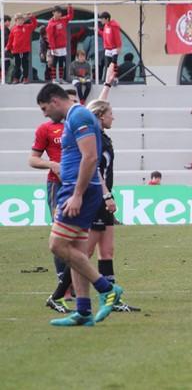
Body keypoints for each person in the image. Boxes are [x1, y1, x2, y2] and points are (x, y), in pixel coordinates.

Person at [36, 83, 123, 326]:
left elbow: (91, 156)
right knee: (76, 248)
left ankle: (107, 288)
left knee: (57, 244)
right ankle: (84, 311)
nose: (44, 114)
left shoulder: (79, 116)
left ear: (54, 100)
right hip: (76, 188)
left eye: (44, 108)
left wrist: (77, 194)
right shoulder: (76, 116)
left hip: (78, 190)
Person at [85, 68, 139, 313]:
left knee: (107, 251)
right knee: (83, 252)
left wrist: (107, 83)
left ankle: (110, 300)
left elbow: (99, 104)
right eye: (110, 114)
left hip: (103, 198)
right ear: (100, 117)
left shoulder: (100, 133)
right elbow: (94, 169)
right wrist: (107, 195)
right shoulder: (93, 136)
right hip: (96, 198)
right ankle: (61, 293)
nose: (113, 117)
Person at [30, 86, 71, 313]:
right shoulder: (45, 129)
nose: (45, 113)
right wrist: (52, 164)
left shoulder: (77, 122)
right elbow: (32, 159)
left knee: (78, 236)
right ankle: (63, 286)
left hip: (78, 183)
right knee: (59, 232)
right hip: (57, 184)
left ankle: (71, 284)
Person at [6, 13, 37, 84]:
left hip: (25, 50)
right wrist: (7, 48)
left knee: (25, 65)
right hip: (16, 51)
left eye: (22, 20)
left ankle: (25, 78)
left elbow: (34, 25)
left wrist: (32, 17)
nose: (20, 21)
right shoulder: (13, 29)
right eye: (19, 20)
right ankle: (16, 78)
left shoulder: (27, 27)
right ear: (16, 21)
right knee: (17, 65)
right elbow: (10, 40)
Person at [46, 4, 73, 83]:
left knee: (62, 62)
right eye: (57, 12)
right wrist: (53, 48)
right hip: (55, 47)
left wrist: (69, 7)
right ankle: (54, 79)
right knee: (54, 63)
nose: (59, 14)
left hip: (63, 46)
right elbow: (50, 37)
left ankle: (61, 79)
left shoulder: (63, 20)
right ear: (53, 13)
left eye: (60, 13)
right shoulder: (51, 24)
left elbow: (70, 16)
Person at [99, 11, 121, 79]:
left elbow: (117, 37)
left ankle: (115, 77)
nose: (101, 20)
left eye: (102, 19)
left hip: (114, 47)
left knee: (114, 63)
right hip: (108, 48)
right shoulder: (106, 26)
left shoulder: (114, 26)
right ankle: (109, 77)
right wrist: (98, 31)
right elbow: (105, 35)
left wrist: (118, 47)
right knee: (108, 64)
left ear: (107, 19)